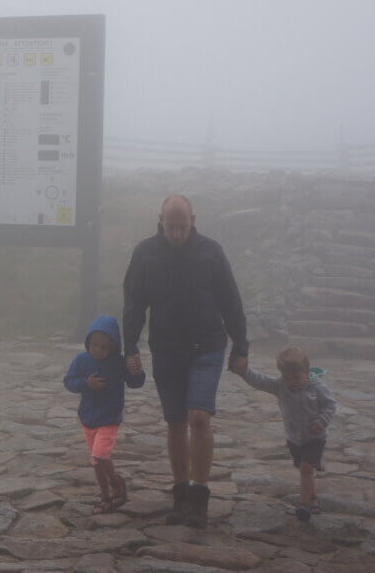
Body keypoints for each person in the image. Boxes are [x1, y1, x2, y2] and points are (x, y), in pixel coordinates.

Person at [122, 194, 249, 528]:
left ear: (192, 219)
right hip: (166, 349)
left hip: (206, 345)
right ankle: (181, 494)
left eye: (182, 226)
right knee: (175, 421)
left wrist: (241, 346)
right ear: (160, 219)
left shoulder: (211, 251)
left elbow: (230, 300)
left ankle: (200, 495)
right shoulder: (145, 253)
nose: (176, 233)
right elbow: (134, 302)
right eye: (170, 226)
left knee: (198, 416)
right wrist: (130, 345)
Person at [235, 347, 337, 521]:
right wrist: (244, 372)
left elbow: (330, 405)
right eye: (287, 378)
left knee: (306, 469)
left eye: (296, 377)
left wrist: (321, 421)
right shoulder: (280, 386)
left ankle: (303, 505)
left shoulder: (318, 387)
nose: (292, 382)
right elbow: (260, 381)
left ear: (306, 371)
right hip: (294, 438)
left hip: (315, 438)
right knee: (305, 470)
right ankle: (313, 501)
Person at [63, 315, 146, 514]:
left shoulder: (118, 363)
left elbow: (135, 383)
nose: (97, 350)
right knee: (96, 462)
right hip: (88, 418)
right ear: (88, 343)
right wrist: (85, 383)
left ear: (113, 346)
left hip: (109, 417)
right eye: (94, 345)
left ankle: (116, 483)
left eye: (103, 347)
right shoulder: (82, 360)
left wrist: (136, 372)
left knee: (100, 454)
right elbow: (68, 382)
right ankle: (105, 497)